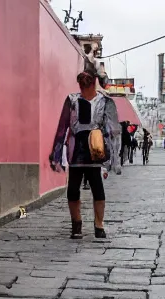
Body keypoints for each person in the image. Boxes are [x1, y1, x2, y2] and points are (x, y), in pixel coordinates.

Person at [50, 70, 121, 239]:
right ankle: (76, 224)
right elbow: (62, 127)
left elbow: (114, 131)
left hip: (95, 150)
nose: (84, 83)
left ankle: (99, 225)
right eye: (82, 81)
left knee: (97, 188)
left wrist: (114, 158)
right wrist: (57, 154)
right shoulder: (72, 100)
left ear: (94, 82)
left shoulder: (105, 101)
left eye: (87, 80)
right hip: (76, 151)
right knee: (73, 189)